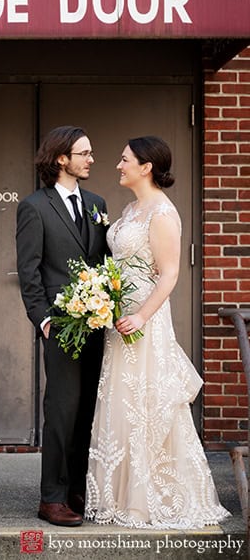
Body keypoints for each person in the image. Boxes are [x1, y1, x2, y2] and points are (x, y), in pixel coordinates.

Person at [85, 135, 230, 529]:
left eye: (124, 158)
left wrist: (142, 317)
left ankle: (148, 500)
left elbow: (169, 274)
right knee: (121, 399)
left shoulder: (163, 213)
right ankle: (118, 496)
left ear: (146, 167)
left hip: (144, 321)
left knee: (147, 403)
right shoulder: (131, 208)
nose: (118, 164)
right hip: (119, 317)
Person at [16, 125, 110, 527]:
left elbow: (103, 261)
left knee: (89, 409)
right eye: (84, 153)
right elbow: (29, 270)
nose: (91, 159)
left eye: (91, 153)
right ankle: (51, 497)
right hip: (61, 326)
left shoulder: (96, 202)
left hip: (98, 322)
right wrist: (43, 320)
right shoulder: (34, 207)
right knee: (61, 410)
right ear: (61, 159)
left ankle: (77, 490)